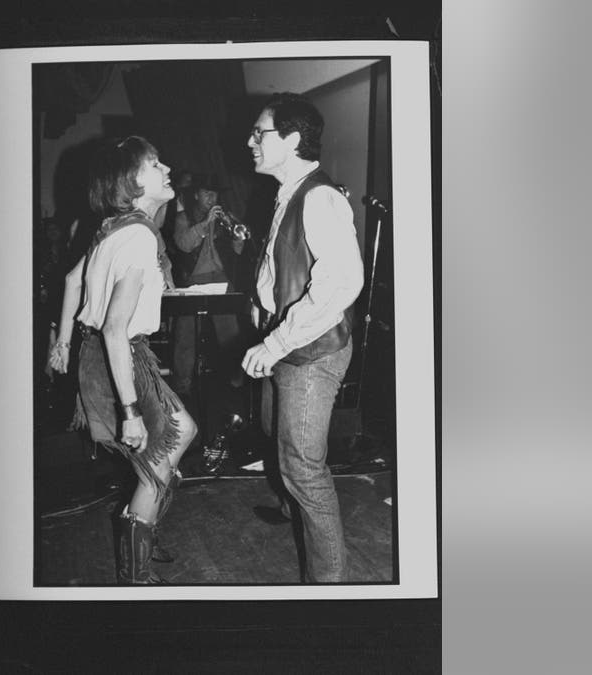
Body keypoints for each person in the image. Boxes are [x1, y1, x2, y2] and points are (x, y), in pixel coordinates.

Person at [48, 136, 197, 584]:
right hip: (119, 354)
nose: (167, 168)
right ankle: (136, 570)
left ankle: (144, 529)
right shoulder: (135, 238)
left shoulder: (113, 228)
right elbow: (115, 328)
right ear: (131, 182)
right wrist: (131, 414)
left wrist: (63, 342)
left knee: (177, 437)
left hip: (103, 353)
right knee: (162, 452)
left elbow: (73, 281)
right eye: (155, 164)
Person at [240, 93, 364, 583]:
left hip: (311, 352)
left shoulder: (318, 197)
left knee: (304, 468)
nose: (250, 141)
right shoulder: (290, 191)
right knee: (279, 436)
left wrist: (274, 343)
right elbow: (286, 260)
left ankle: (328, 591)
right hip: (289, 343)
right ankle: (296, 512)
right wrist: (263, 301)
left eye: (259, 133)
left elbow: (340, 284)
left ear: (290, 139)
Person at [170, 174, 251, 398]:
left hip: (220, 281)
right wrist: (205, 224)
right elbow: (183, 244)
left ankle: (236, 383)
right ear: (196, 194)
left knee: (230, 335)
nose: (211, 198)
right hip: (191, 282)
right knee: (185, 337)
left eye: (214, 194)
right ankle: (182, 386)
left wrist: (238, 239)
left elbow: (237, 252)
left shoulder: (225, 216)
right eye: (206, 193)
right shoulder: (182, 217)